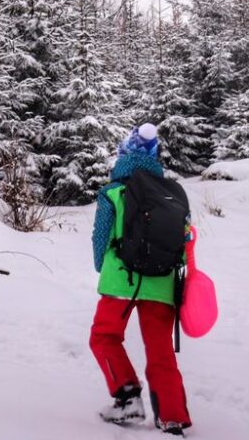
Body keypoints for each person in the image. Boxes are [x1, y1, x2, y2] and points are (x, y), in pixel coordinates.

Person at [89, 123, 192, 436]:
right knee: (160, 351)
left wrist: (101, 267)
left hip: (122, 281)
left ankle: (127, 397)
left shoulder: (113, 192)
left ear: (123, 154)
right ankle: (173, 418)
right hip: (162, 283)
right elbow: (185, 245)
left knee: (103, 336)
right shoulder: (173, 194)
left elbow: (101, 239)